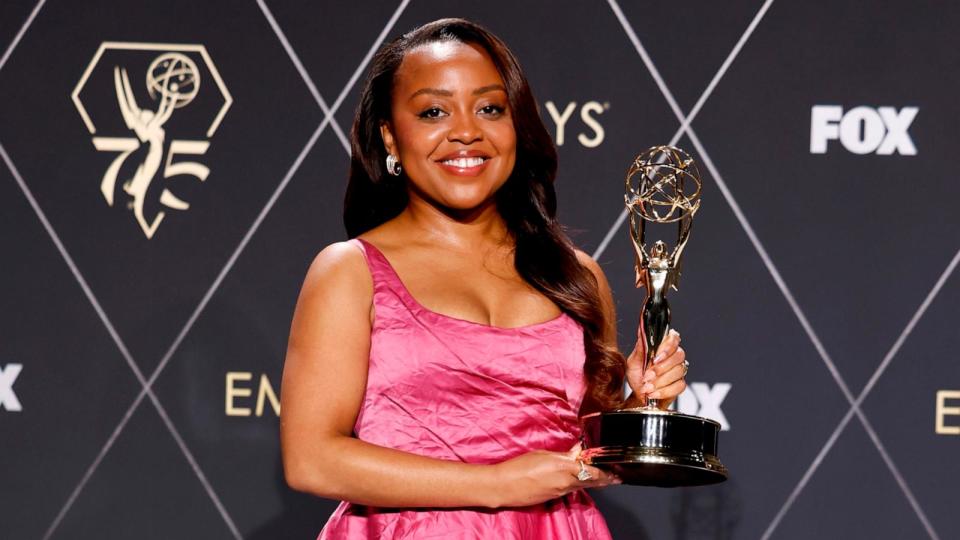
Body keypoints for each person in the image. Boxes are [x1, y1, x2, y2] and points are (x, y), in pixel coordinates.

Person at [279, 18, 689, 539]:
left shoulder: (575, 276)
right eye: (433, 111)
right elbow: (311, 460)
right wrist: (494, 484)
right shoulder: (351, 270)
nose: (466, 130)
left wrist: (642, 407)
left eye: (490, 108)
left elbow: (586, 459)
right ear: (389, 135)